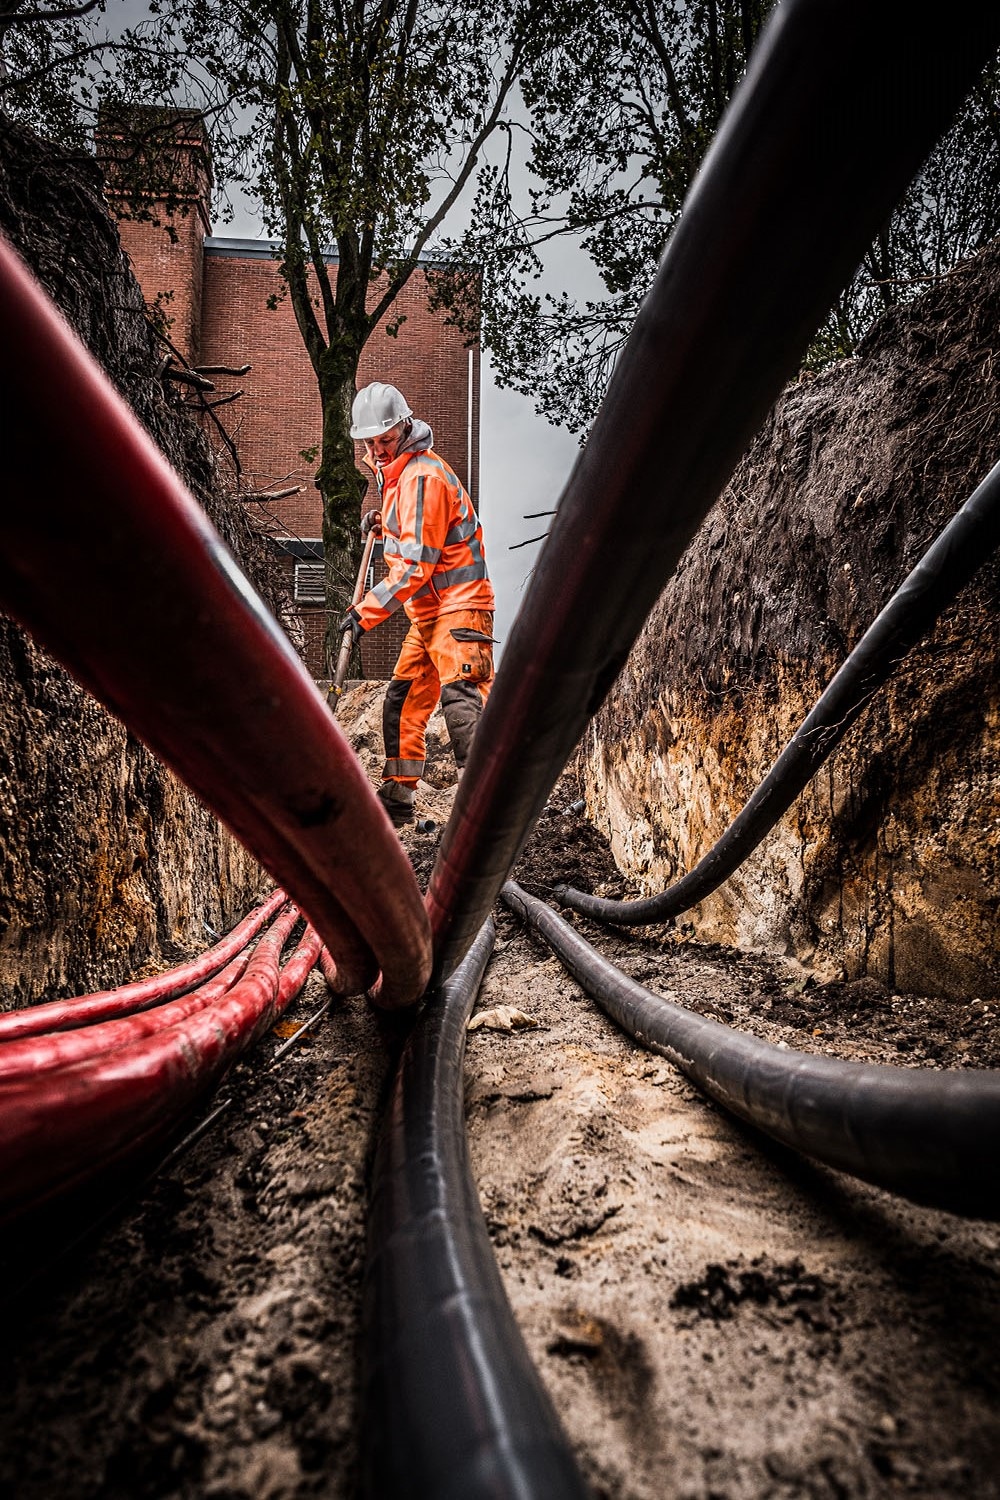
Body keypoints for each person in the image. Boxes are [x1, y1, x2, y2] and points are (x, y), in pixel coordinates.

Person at [339, 381, 495, 825]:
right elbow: (414, 533)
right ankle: (397, 801)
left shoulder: (423, 476)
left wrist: (363, 614)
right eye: (370, 443)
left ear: (405, 428)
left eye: (385, 440)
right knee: (403, 700)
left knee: (462, 696)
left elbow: (415, 566)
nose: (378, 449)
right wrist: (381, 523)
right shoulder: (398, 476)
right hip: (428, 614)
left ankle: (484, 810)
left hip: (460, 605)